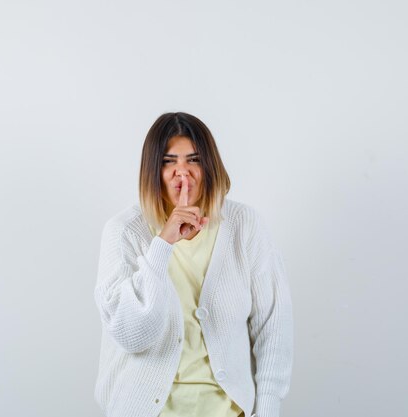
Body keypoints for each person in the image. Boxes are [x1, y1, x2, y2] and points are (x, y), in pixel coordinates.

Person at [93, 112, 293, 417]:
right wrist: (163, 244)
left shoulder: (244, 226)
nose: (181, 172)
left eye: (193, 160)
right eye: (168, 161)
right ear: (152, 171)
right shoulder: (123, 232)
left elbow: (273, 326)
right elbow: (132, 334)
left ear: (210, 166)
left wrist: (267, 411)